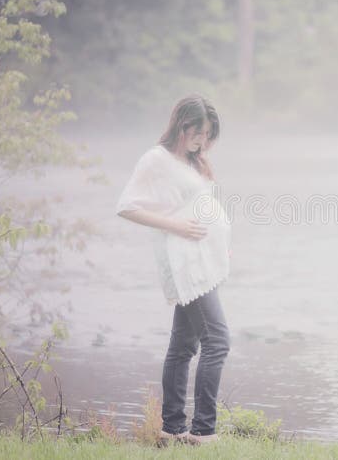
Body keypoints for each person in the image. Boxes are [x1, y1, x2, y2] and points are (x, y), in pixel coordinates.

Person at [115, 94, 231, 446]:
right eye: (199, 133)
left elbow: (200, 204)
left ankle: (172, 430)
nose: (203, 142)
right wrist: (174, 225)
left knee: (184, 345)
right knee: (218, 341)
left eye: (208, 135)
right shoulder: (156, 159)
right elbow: (127, 206)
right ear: (182, 125)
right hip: (185, 262)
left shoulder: (193, 161)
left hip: (203, 260)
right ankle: (203, 432)